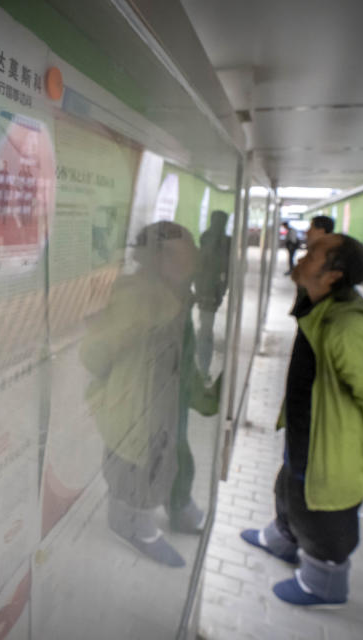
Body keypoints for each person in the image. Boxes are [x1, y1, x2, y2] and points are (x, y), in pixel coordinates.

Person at [241, 233, 363, 607]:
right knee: (290, 488)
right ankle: (282, 539)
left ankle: (324, 582)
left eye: (314, 254)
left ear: (333, 274)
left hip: (329, 444)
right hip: (306, 436)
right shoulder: (318, 306)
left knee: (323, 512)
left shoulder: (347, 326)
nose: (302, 256)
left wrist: (348, 431)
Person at [81, 222, 219, 568]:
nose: (189, 261)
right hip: (136, 408)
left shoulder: (175, 296)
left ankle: (174, 506)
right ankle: (132, 524)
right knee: (133, 463)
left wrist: (204, 396)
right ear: (152, 257)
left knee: (167, 456)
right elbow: (94, 353)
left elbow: (183, 362)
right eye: (176, 253)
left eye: (190, 252)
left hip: (164, 404)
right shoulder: (140, 297)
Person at [194, 210, 231, 376]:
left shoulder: (224, 241)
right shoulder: (208, 238)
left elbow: (227, 269)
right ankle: (202, 366)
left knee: (205, 329)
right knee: (205, 330)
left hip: (210, 290)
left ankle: (203, 367)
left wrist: (221, 290)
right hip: (205, 289)